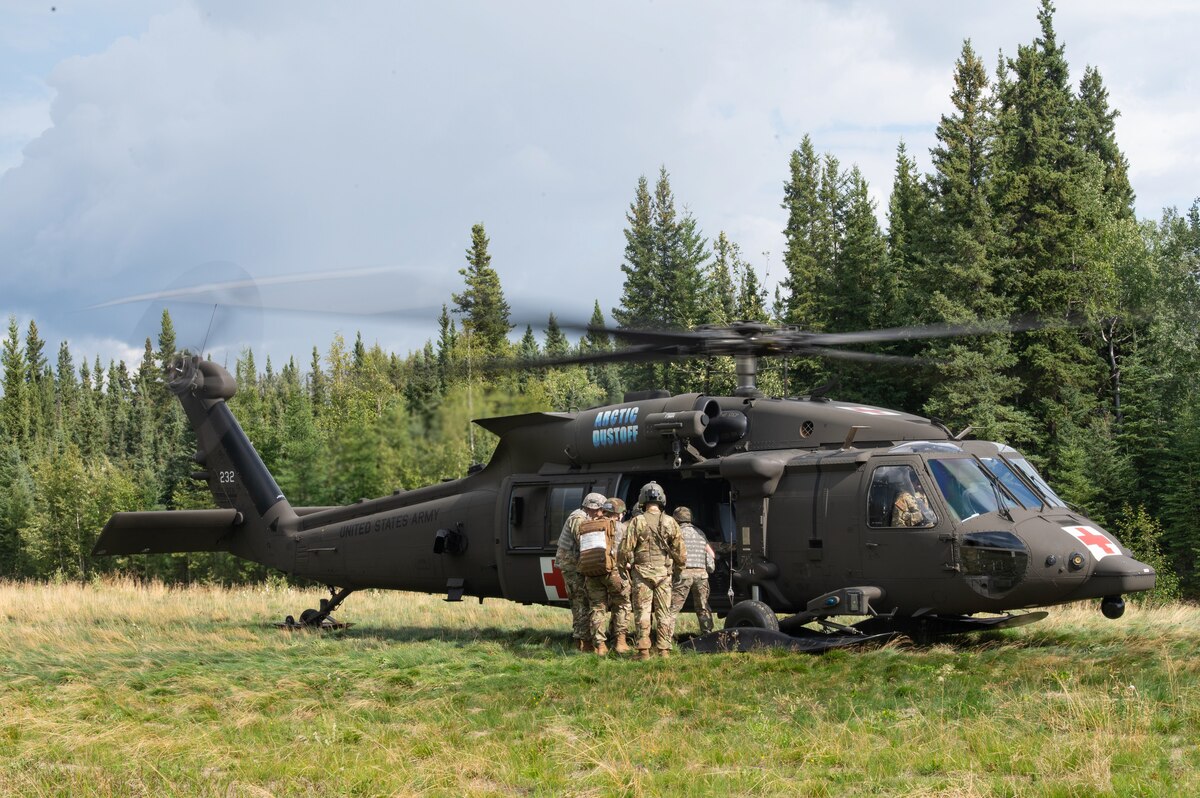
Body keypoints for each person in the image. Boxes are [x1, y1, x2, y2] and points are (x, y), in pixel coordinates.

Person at [618, 482, 686, 660]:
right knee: (664, 613)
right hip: (664, 575)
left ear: (642, 500)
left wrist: (623, 569)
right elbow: (680, 552)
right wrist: (678, 570)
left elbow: (625, 550)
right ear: (662, 499)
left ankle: (643, 651)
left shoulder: (637, 521)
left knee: (643, 612)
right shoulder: (670, 522)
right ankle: (664, 650)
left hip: (641, 575)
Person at [556, 492, 607, 651]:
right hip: (572, 568)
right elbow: (584, 539)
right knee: (580, 603)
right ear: (593, 508)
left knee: (582, 602)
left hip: (576, 566)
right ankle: (582, 642)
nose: (601, 514)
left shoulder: (584, 517)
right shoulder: (578, 518)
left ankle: (583, 640)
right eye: (600, 510)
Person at [669, 506, 714, 635]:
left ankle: (666, 640)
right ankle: (708, 634)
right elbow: (709, 559)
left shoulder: (676, 533)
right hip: (701, 575)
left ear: (676, 519)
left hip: (683, 575)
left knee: (673, 609)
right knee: (703, 608)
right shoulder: (701, 533)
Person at [604, 498, 632, 654]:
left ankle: (598, 644)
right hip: (615, 572)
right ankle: (620, 642)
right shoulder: (621, 528)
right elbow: (627, 551)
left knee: (597, 607)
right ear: (619, 514)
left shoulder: (591, 526)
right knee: (622, 605)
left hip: (594, 573)